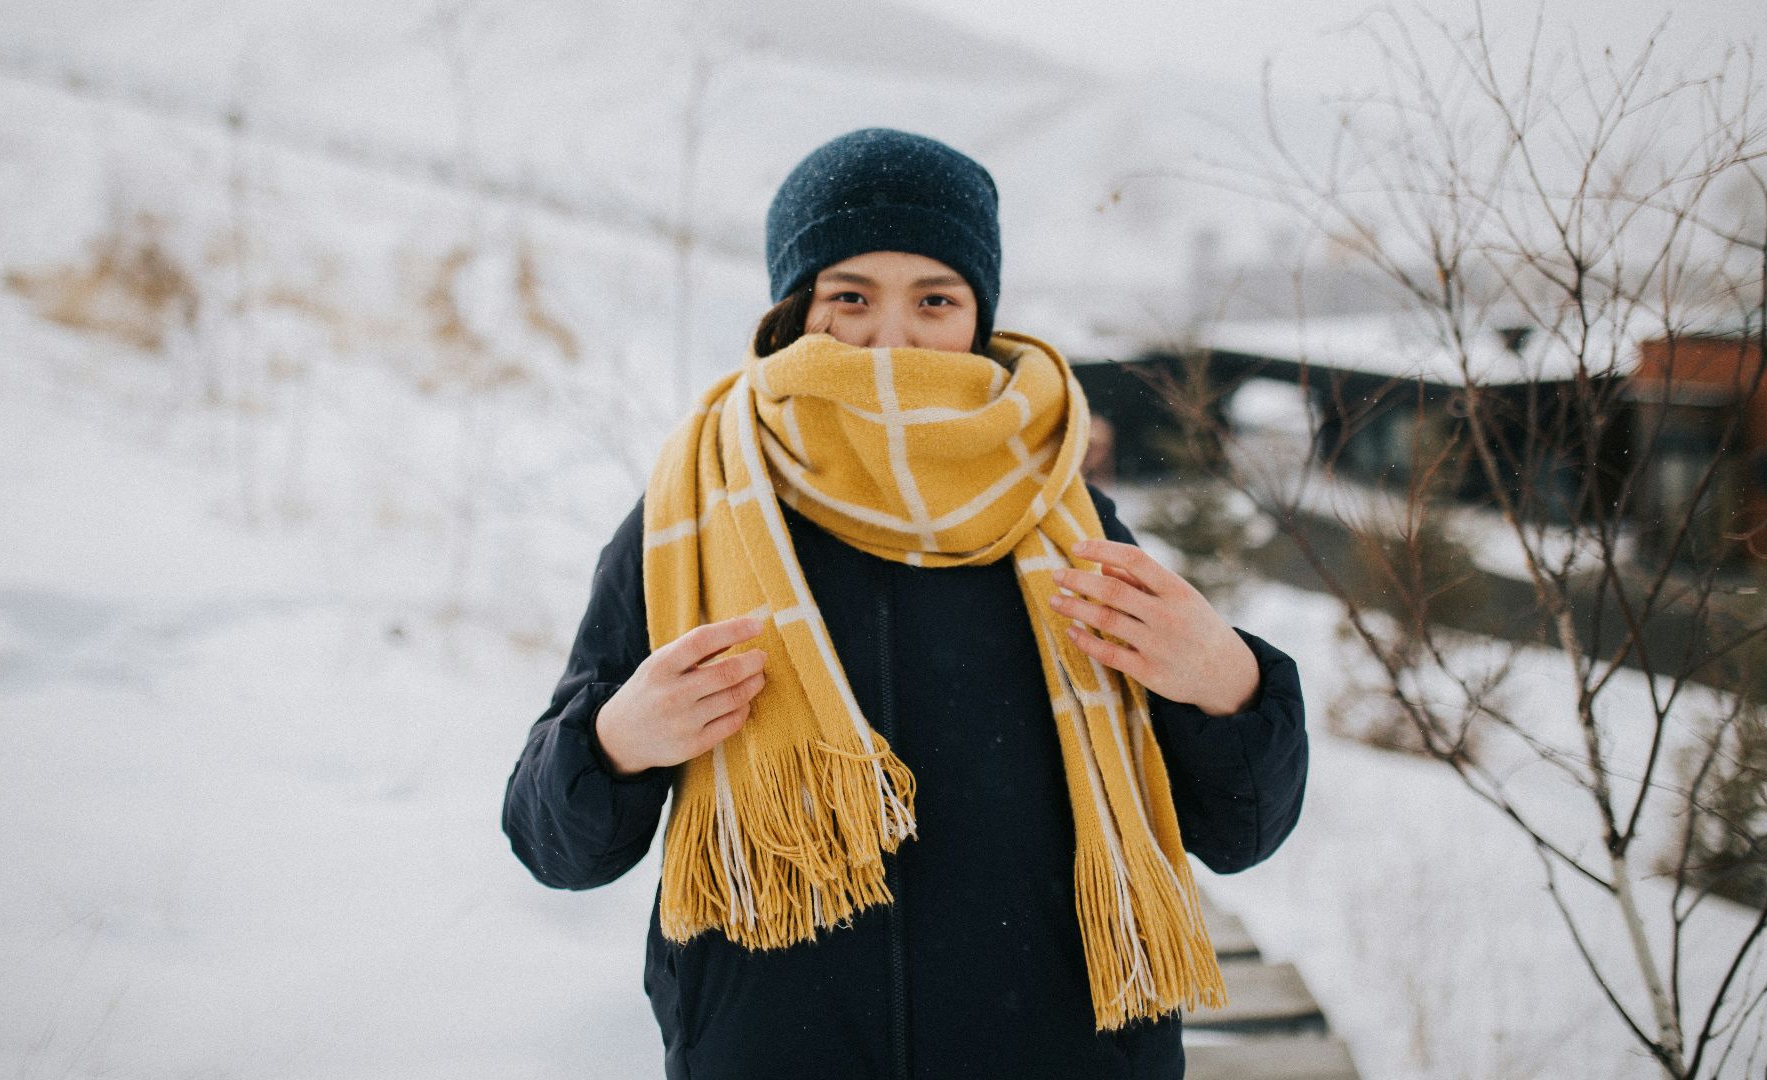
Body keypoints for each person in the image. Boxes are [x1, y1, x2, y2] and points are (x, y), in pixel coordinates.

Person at [503, 127, 1308, 1080]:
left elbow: (1239, 831)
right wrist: (613, 745)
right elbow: (549, 843)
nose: (893, 337)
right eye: (850, 297)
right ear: (797, 313)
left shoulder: (1062, 514)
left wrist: (1230, 685)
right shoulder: (695, 513)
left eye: (935, 298)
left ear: (980, 315)